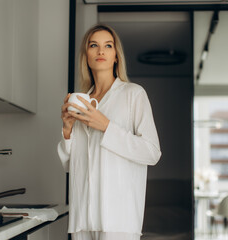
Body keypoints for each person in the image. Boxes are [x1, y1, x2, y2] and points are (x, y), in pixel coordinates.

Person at [57, 24, 161, 240]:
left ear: (116, 56)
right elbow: (71, 167)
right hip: (83, 219)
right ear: (86, 56)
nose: (101, 51)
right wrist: (67, 131)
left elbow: (152, 152)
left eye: (108, 45)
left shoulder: (133, 94)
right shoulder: (81, 101)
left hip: (119, 219)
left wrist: (106, 126)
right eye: (94, 45)